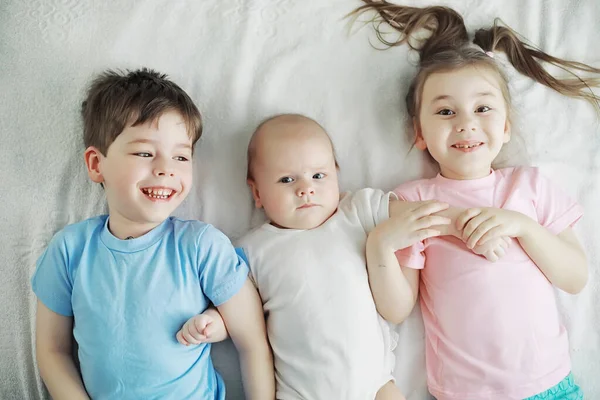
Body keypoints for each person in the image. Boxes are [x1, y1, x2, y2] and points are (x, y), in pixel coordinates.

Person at [352, 2, 600, 399]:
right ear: (420, 135)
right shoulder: (415, 200)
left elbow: (574, 277)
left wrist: (523, 226)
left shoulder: (528, 186)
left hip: (548, 385)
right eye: (446, 111)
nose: (466, 123)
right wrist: (379, 243)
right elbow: (398, 309)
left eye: (482, 108)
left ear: (504, 128)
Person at [31, 68, 275, 400]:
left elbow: (252, 341)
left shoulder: (201, 246)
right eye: (145, 153)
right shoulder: (70, 250)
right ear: (95, 164)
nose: (166, 168)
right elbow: (51, 349)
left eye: (181, 156)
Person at [237, 113, 505, 399]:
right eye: (286, 179)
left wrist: (467, 226)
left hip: (376, 387)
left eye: (318, 175)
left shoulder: (357, 211)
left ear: (336, 174)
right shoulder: (251, 251)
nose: (306, 189)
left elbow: (423, 215)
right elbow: (238, 313)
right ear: (257, 193)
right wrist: (216, 323)